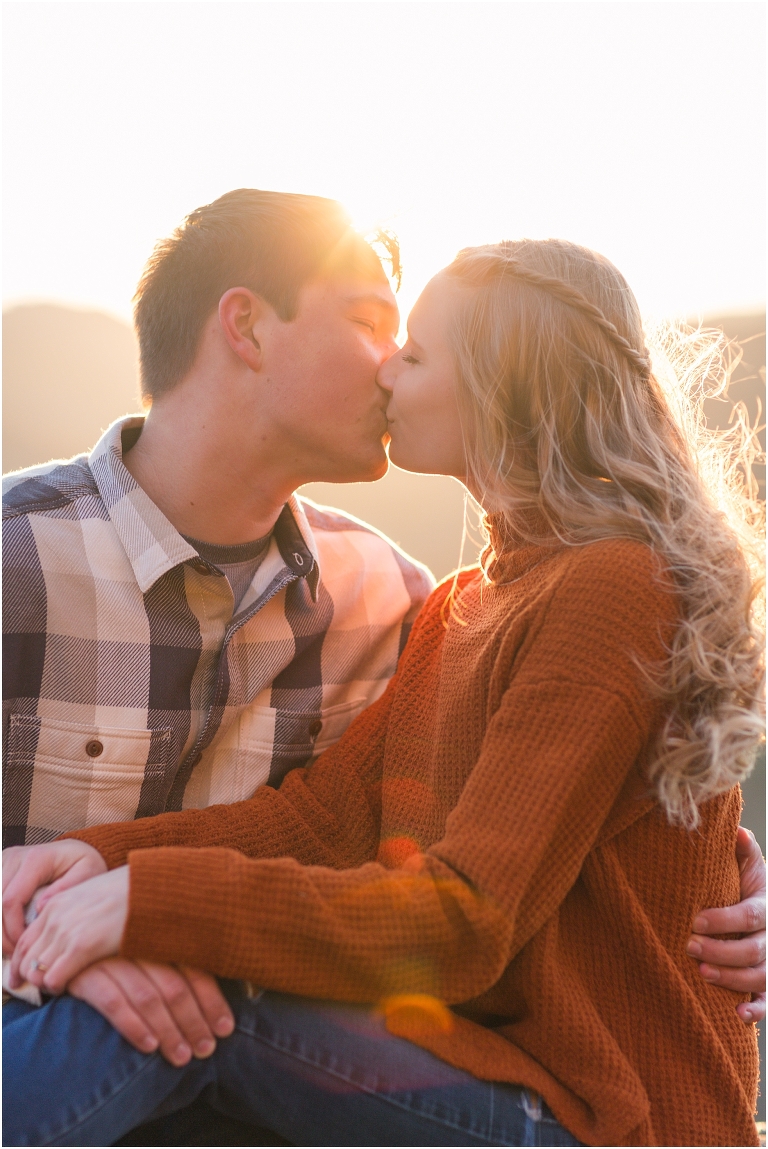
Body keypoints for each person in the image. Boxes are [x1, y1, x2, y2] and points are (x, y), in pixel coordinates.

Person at [4, 238, 766, 1146]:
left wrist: (147, 901)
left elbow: (468, 920)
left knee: (212, 996)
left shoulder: (611, 587)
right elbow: (321, 823)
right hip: (482, 1066)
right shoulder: (456, 607)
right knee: (169, 985)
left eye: (411, 351)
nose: (387, 372)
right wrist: (97, 860)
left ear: (500, 383)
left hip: (602, 1109)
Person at [2, 189, 431, 1032]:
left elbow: (494, 838)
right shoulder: (13, 562)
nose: (394, 363)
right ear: (247, 326)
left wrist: (728, 881)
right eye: (371, 321)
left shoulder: (397, 602)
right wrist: (34, 949)